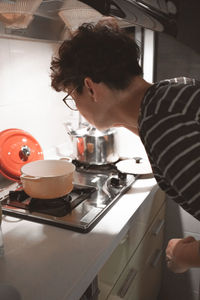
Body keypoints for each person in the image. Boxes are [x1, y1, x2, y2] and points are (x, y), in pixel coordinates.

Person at [50, 19, 200, 273]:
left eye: (73, 97)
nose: (77, 107)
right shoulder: (172, 92)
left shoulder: (166, 129)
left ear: (90, 88)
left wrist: (182, 254)